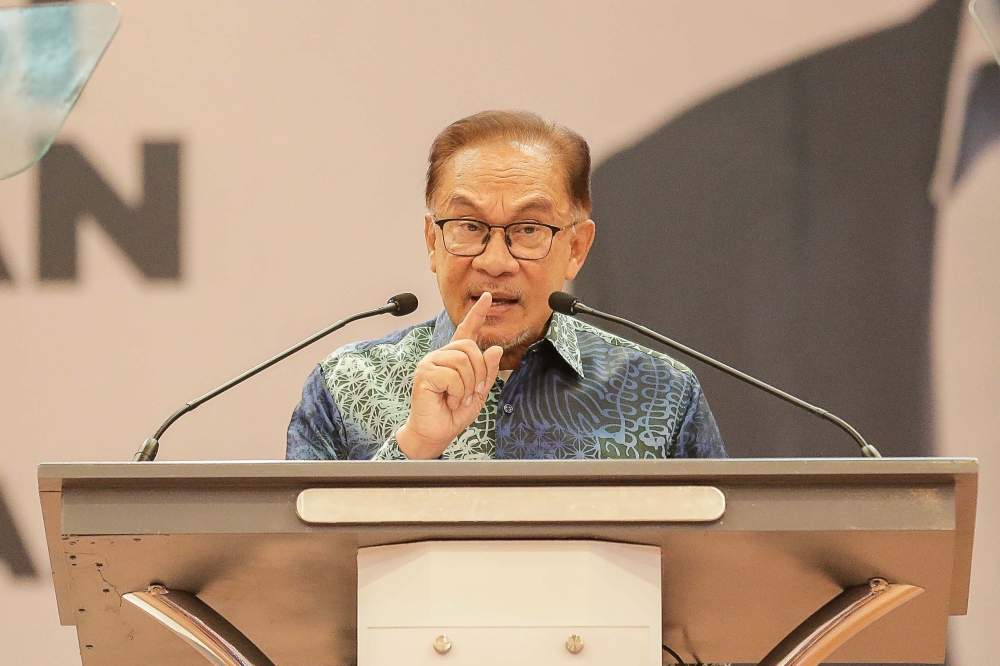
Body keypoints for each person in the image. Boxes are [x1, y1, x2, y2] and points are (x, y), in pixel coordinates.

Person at [286, 110, 726, 461]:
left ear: (576, 247)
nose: (495, 262)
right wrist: (415, 446)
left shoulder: (660, 392)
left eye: (529, 228)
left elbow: (715, 563)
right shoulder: (347, 385)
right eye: (469, 225)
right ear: (432, 242)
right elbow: (308, 566)